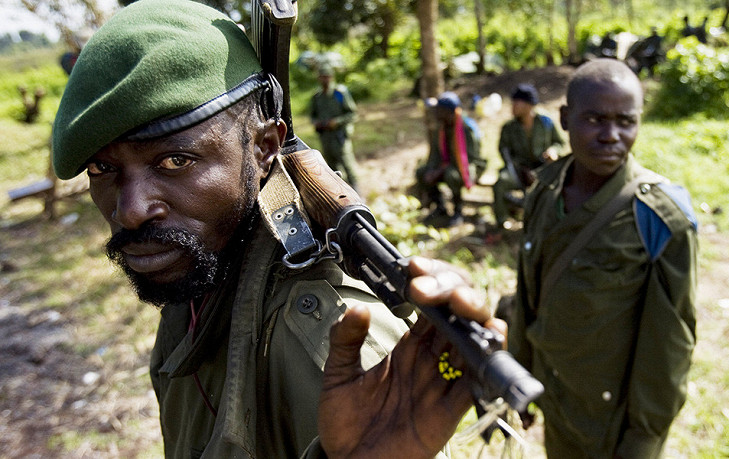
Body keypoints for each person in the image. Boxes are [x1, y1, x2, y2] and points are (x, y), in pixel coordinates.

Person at [50, 1, 504, 458]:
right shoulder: (198, 275)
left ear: (265, 147)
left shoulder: (323, 339)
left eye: (175, 161)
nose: (130, 211)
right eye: (102, 167)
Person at [509, 59, 697, 458]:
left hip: (613, 419)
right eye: (594, 119)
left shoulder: (659, 217)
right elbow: (529, 292)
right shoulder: (545, 193)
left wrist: (644, 438)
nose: (611, 135)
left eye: (625, 122)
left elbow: (669, 343)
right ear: (564, 118)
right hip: (556, 395)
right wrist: (518, 374)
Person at [492, 83, 564, 229]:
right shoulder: (509, 128)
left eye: (516, 103)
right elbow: (504, 152)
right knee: (501, 183)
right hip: (518, 170)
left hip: (544, 169)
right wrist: (520, 169)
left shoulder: (545, 122)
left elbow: (560, 143)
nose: (512, 106)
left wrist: (553, 151)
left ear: (528, 105)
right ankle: (502, 220)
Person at [415, 91, 485, 227]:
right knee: (422, 172)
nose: (435, 113)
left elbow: (469, 159)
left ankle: (458, 211)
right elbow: (436, 154)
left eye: (439, 110)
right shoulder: (441, 128)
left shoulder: (466, 128)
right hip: (447, 166)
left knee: (451, 175)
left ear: (448, 112)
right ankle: (440, 207)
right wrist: (432, 170)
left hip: (468, 166)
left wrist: (440, 171)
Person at [309, 64, 359, 189]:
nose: (325, 80)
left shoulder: (339, 93)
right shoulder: (317, 97)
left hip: (339, 136)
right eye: (322, 77)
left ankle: (357, 191)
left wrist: (337, 122)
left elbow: (352, 113)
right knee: (331, 167)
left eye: (327, 77)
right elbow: (312, 116)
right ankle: (341, 191)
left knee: (347, 163)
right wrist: (316, 123)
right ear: (319, 78)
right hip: (325, 136)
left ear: (332, 77)